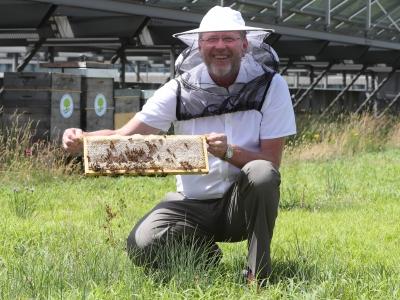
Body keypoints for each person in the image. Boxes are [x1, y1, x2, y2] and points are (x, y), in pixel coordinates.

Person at [63, 6, 296, 283]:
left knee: (262, 173)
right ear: (200, 46)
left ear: (244, 44)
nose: (220, 46)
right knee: (142, 244)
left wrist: (229, 152)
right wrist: (83, 139)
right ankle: (202, 256)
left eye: (229, 39)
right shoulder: (179, 89)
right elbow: (124, 134)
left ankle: (258, 273)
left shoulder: (271, 85)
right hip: (192, 204)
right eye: (211, 39)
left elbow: (271, 161)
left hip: (240, 205)